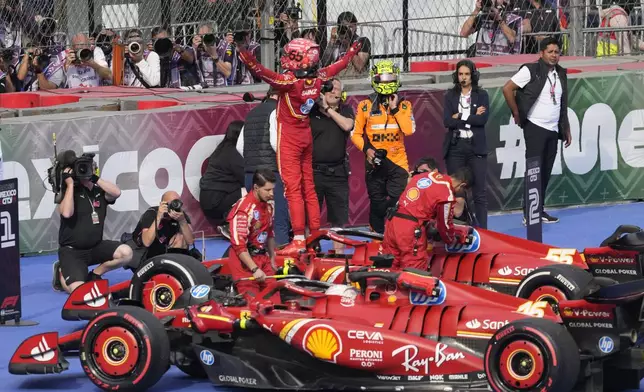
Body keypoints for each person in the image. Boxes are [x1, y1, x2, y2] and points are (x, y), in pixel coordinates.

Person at [236, 36, 362, 254]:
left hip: (290, 140)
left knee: (293, 191)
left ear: (298, 58)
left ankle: (300, 239)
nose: (285, 58)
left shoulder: (289, 82)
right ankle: (314, 233)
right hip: (306, 137)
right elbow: (338, 65)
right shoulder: (319, 78)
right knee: (310, 189)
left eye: (289, 54)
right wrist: (351, 51)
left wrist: (245, 55)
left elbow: (262, 72)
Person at [502, 36, 572, 224]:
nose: (554, 55)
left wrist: (566, 127)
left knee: (546, 171)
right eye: (550, 52)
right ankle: (529, 214)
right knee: (534, 170)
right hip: (535, 126)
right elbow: (507, 89)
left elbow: (563, 104)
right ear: (541, 53)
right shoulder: (530, 70)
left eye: (557, 52)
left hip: (552, 128)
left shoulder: (560, 73)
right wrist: (516, 112)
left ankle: (539, 210)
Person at [52, 151, 133, 293]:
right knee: (78, 291)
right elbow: (66, 213)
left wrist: (94, 178)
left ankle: (95, 274)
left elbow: (116, 192)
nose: (83, 171)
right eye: (81, 168)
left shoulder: (99, 191)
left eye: (87, 167)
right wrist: (69, 185)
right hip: (73, 252)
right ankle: (61, 274)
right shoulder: (70, 193)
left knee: (126, 253)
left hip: (96, 247)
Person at [351, 60, 416, 234]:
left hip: (398, 164)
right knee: (377, 205)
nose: (387, 83)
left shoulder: (404, 105)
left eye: (390, 79)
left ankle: (398, 238)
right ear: (375, 80)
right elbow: (355, 134)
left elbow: (409, 130)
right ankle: (377, 241)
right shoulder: (364, 106)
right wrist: (367, 150)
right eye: (383, 79)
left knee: (399, 204)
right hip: (375, 164)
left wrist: (394, 110)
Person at [382, 168, 472, 271]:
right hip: (410, 229)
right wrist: (451, 239)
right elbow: (445, 225)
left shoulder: (424, 176)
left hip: (392, 222)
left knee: (387, 265)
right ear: (462, 185)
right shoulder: (446, 193)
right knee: (414, 269)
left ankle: (382, 286)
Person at [236, 87, 291, 246]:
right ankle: (282, 252)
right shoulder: (277, 111)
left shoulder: (251, 113)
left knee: (256, 217)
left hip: (250, 173)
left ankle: (256, 250)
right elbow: (276, 143)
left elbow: (240, 146)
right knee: (279, 216)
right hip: (272, 173)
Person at [443, 59, 489, 229]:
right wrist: (471, 115)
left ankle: (484, 232)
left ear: (473, 76)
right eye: (460, 74)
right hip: (456, 147)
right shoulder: (450, 95)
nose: (463, 77)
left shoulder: (482, 95)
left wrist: (460, 116)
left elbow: (482, 119)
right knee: (456, 190)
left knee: (479, 193)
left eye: (467, 74)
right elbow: (447, 121)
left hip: (476, 147)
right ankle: (457, 228)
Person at [310, 78, 354, 237]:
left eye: (337, 89)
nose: (333, 91)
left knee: (338, 220)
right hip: (314, 172)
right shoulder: (311, 111)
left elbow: (347, 125)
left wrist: (328, 109)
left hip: (338, 173)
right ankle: (311, 253)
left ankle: (338, 256)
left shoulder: (346, 109)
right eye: (330, 88)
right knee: (311, 217)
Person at [227, 169, 277, 299]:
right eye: (267, 190)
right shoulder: (243, 209)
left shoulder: (269, 205)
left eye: (273, 189)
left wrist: (272, 258)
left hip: (263, 258)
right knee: (253, 306)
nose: (271, 193)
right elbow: (239, 245)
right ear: (256, 187)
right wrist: (254, 269)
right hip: (244, 264)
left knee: (276, 302)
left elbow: (270, 233)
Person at [131, 191, 195, 266]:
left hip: (165, 249)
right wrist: (159, 217)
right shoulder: (152, 213)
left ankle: (174, 266)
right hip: (144, 251)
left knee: (181, 237)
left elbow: (190, 241)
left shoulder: (181, 215)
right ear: (163, 204)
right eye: (171, 203)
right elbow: (146, 242)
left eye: (177, 202)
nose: (174, 206)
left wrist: (182, 221)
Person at [200, 120, 245, 226]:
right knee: (254, 190)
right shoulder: (232, 153)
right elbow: (247, 178)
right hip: (216, 203)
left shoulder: (222, 148)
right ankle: (230, 224)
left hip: (209, 200)